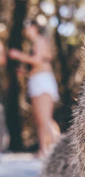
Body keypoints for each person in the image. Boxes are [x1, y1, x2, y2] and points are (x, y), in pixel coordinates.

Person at [9, 20, 60, 157]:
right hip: (36, 80)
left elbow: (38, 60)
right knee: (39, 119)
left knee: (45, 118)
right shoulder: (35, 43)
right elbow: (37, 64)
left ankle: (59, 149)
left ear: (34, 27)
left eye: (27, 26)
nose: (26, 30)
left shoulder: (41, 40)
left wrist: (18, 55)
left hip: (43, 81)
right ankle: (43, 150)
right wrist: (25, 72)